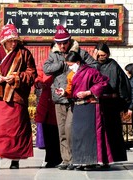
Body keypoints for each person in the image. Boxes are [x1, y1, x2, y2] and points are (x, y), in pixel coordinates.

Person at [0, 24, 37, 170]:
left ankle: (15, 159)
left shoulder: (24, 53)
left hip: (16, 98)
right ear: (4, 40)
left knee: (15, 131)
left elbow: (32, 74)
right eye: (10, 40)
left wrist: (17, 77)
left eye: (15, 40)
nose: (13, 43)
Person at [43, 24, 96, 170]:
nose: (61, 46)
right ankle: (66, 160)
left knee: (71, 129)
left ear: (70, 41)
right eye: (58, 43)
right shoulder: (53, 55)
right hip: (59, 98)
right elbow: (46, 69)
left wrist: (79, 67)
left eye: (64, 43)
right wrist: (61, 64)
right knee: (62, 131)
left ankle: (76, 158)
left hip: (75, 99)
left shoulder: (81, 53)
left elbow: (95, 67)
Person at [56, 51, 112, 171]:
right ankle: (80, 161)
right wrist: (64, 93)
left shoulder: (91, 72)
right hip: (78, 106)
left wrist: (89, 92)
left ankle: (90, 161)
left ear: (77, 62)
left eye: (71, 64)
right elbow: (70, 91)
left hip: (90, 106)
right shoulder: (71, 75)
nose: (70, 67)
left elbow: (103, 82)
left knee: (89, 135)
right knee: (79, 135)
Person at [93, 42, 131, 163]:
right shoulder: (92, 65)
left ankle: (111, 158)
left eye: (103, 55)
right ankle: (97, 158)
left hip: (111, 104)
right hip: (96, 103)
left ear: (108, 54)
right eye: (98, 55)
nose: (101, 58)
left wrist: (124, 103)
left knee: (112, 131)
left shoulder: (113, 65)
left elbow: (123, 84)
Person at [34, 65, 62, 168]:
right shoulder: (46, 66)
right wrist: (39, 83)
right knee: (48, 133)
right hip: (46, 103)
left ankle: (61, 157)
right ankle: (51, 158)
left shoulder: (65, 63)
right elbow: (38, 78)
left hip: (59, 101)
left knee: (59, 132)